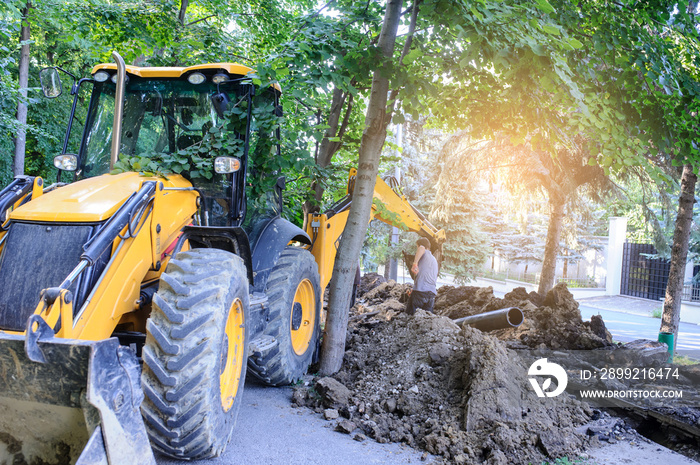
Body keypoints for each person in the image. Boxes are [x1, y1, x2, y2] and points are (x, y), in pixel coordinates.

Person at [406, 237, 438, 315]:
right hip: (431, 295)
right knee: (427, 320)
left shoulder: (425, 252)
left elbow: (421, 248)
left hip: (420, 293)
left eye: (417, 246)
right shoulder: (434, 259)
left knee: (411, 316)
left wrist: (415, 264)